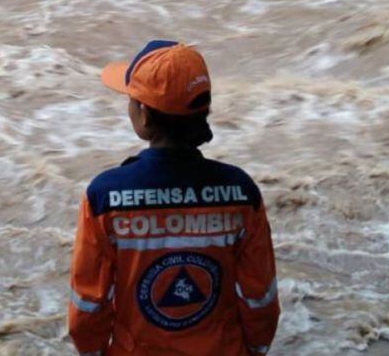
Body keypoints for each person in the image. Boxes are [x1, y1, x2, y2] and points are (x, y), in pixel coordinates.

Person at [68, 40, 280, 356]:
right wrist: (256, 350)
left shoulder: (104, 198)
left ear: (144, 115)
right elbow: (260, 298)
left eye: (131, 99)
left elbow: (88, 306)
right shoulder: (240, 192)